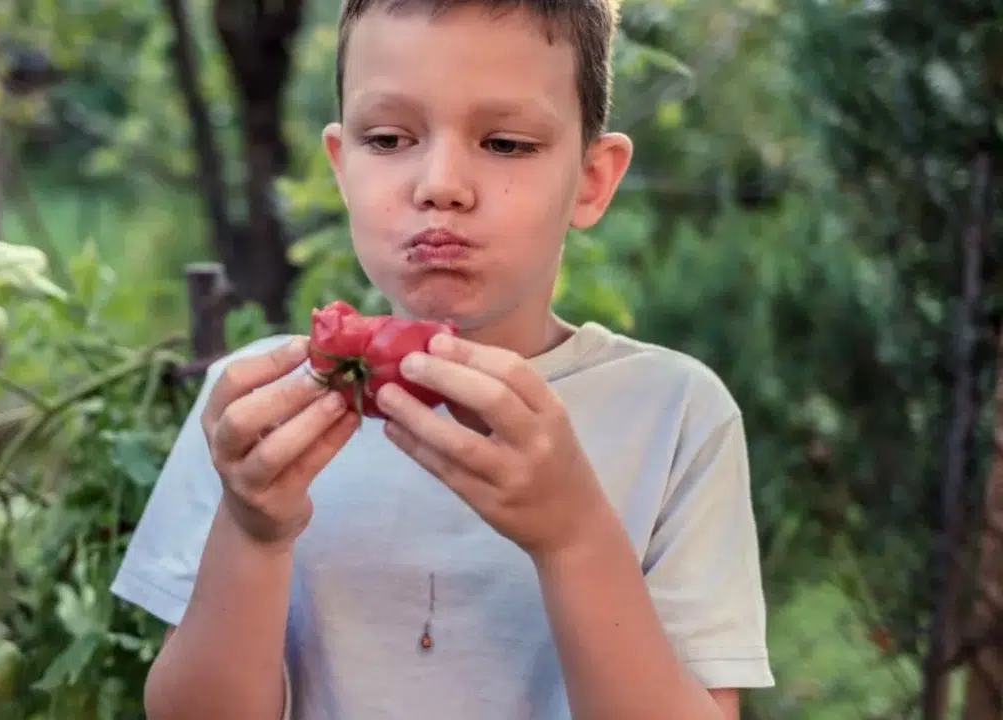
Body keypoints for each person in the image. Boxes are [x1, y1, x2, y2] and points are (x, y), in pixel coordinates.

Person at [111, 0, 775, 717]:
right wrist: (252, 530)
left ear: (592, 179)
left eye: (506, 143)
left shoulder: (673, 416)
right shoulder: (256, 414)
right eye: (388, 138)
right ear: (341, 165)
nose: (440, 185)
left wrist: (573, 533)